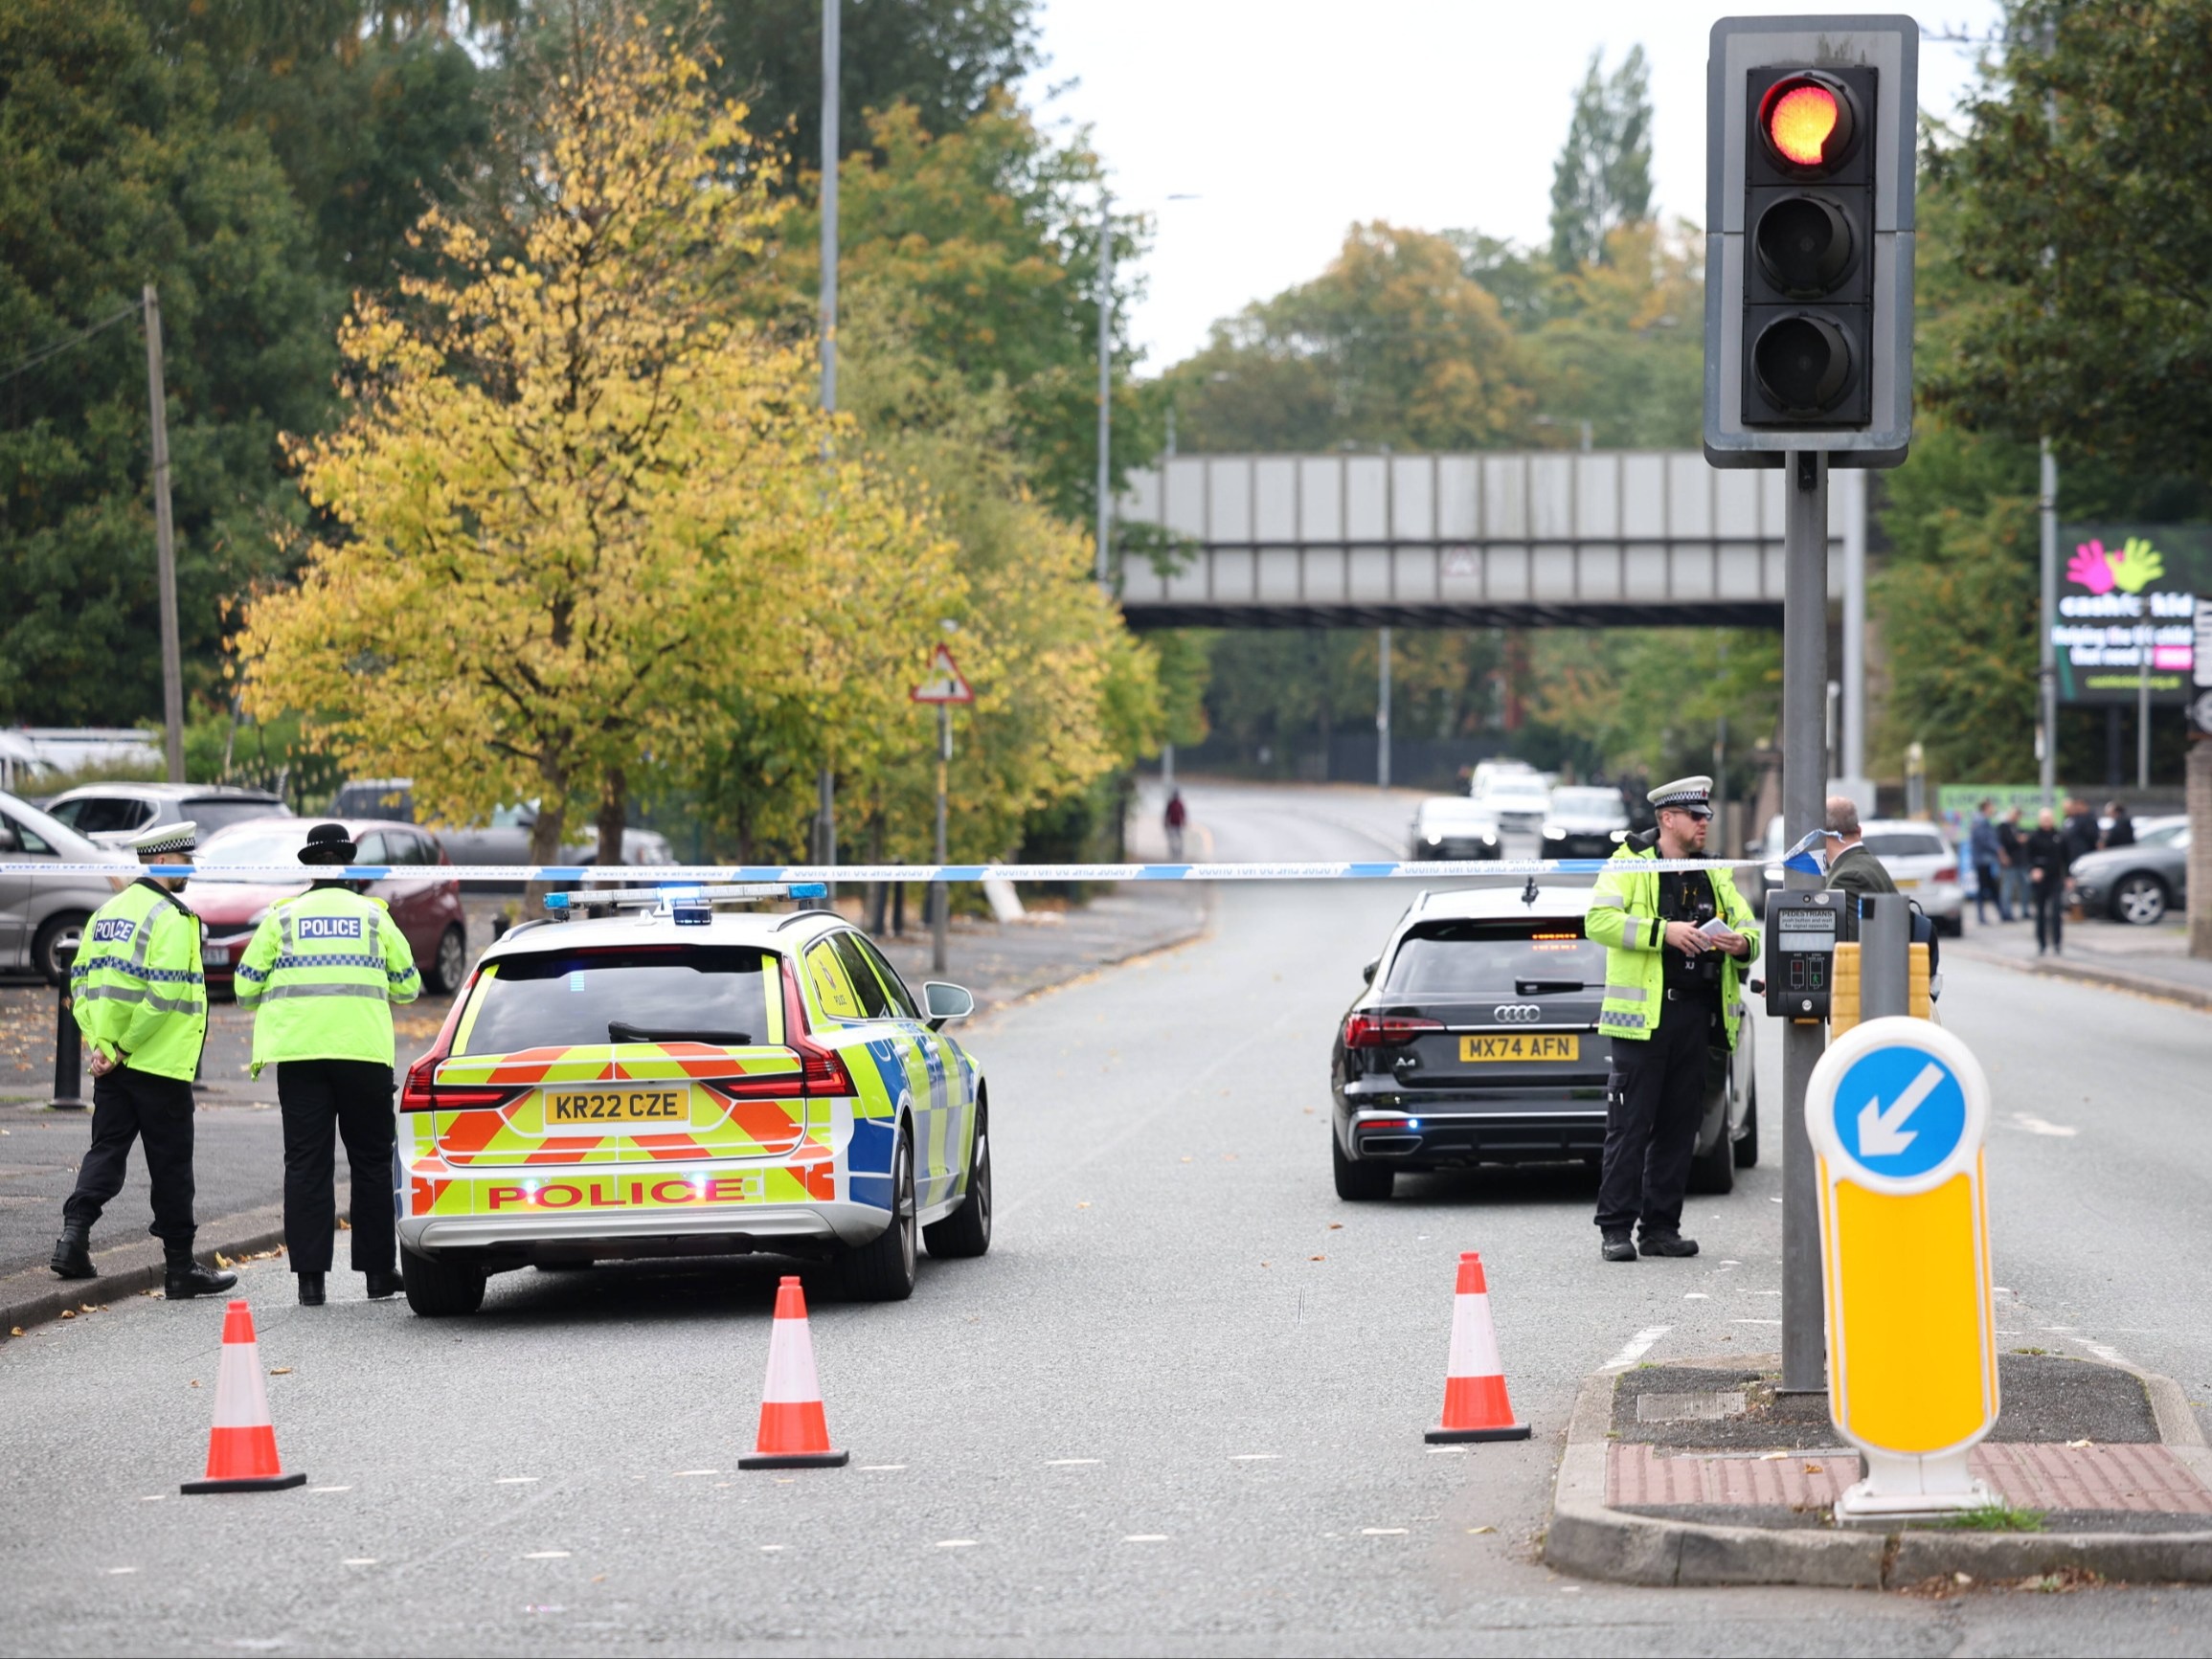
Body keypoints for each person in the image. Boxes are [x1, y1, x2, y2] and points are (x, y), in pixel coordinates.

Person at [49, 821, 237, 1300]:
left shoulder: (105, 914)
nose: (190, 869)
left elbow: (81, 985)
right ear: (166, 861)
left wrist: (101, 1046)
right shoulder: (171, 918)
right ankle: (179, 1270)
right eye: (185, 860)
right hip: (159, 1064)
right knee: (172, 1166)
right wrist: (128, 1046)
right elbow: (165, 994)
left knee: (106, 1152)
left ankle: (73, 1240)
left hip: (113, 1065)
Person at [237, 823, 421, 1306]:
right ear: (349, 863)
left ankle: (311, 1282)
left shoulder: (282, 919)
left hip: (300, 1057)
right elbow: (408, 986)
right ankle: (379, 1275)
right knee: (372, 1165)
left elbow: (243, 989)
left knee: (306, 1166)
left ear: (309, 867)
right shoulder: (375, 918)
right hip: (362, 1054)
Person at [1585, 777, 1760, 1265]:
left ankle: (1661, 1227)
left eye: (1707, 816)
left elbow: (1749, 928)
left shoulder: (1714, 872)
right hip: (1643, 1019)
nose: (1706, 822)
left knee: (1681, 1128)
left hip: (1696, 1016)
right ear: (1668, 819)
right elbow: (1597, 921)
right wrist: (1665, 932)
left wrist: (1742, 944)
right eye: (1696, 816)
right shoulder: (1630, 864)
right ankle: (1616, 1229)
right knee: (1630, 1126)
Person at [2025, 807, 2070, 955]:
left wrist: (2069, 876)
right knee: (2041, 912)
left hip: (2056, 878)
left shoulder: (2059, 836)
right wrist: (2033, 869)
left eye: (2049, 819)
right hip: (2040, 880)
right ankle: (2042, 943)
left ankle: (2057, 943)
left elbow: (2066, 858)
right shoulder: (2034, 837)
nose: (2046, 822)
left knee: (2056, 911)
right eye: (2044, 819)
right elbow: (2028, 858)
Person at [1967, 798, 2006, 924]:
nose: (1993, 810)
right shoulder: (1980, 822)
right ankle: (1988, 915)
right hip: (1983, 860)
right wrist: (1998, 849)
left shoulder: (1982, 821)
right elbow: (1985, 840)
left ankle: (1999, 913)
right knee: (1986, 888)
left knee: (1988, 888)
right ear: (1986, 808)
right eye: (1991, 807)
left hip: (1985, 860)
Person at [1997, 806, 2030, 920]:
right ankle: (2006, 913)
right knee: (2007, 888)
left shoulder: (2017, 828)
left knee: (2025, 887)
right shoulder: (2003, 827)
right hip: (2009, 863)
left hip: (2021, 862)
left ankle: (2025, 911)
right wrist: (2003, 857)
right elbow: (2001, 844)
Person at [2061, 796, 2102, 867]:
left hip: (2084, 855)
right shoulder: (2069, 820)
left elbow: (2093, 836)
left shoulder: (2088, 820)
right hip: (2070, 856)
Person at [1163, 788, 1187, 860]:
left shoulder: (1180, 804)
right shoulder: (1170, 803)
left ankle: (1179, 852)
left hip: (1178, 824)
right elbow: (1167, 813)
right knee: (1172, 839)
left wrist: (1184, 821)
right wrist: (1166, 822)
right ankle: (1173, 852)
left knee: (1179, 839)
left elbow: (1183, 813)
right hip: (1172, 824)